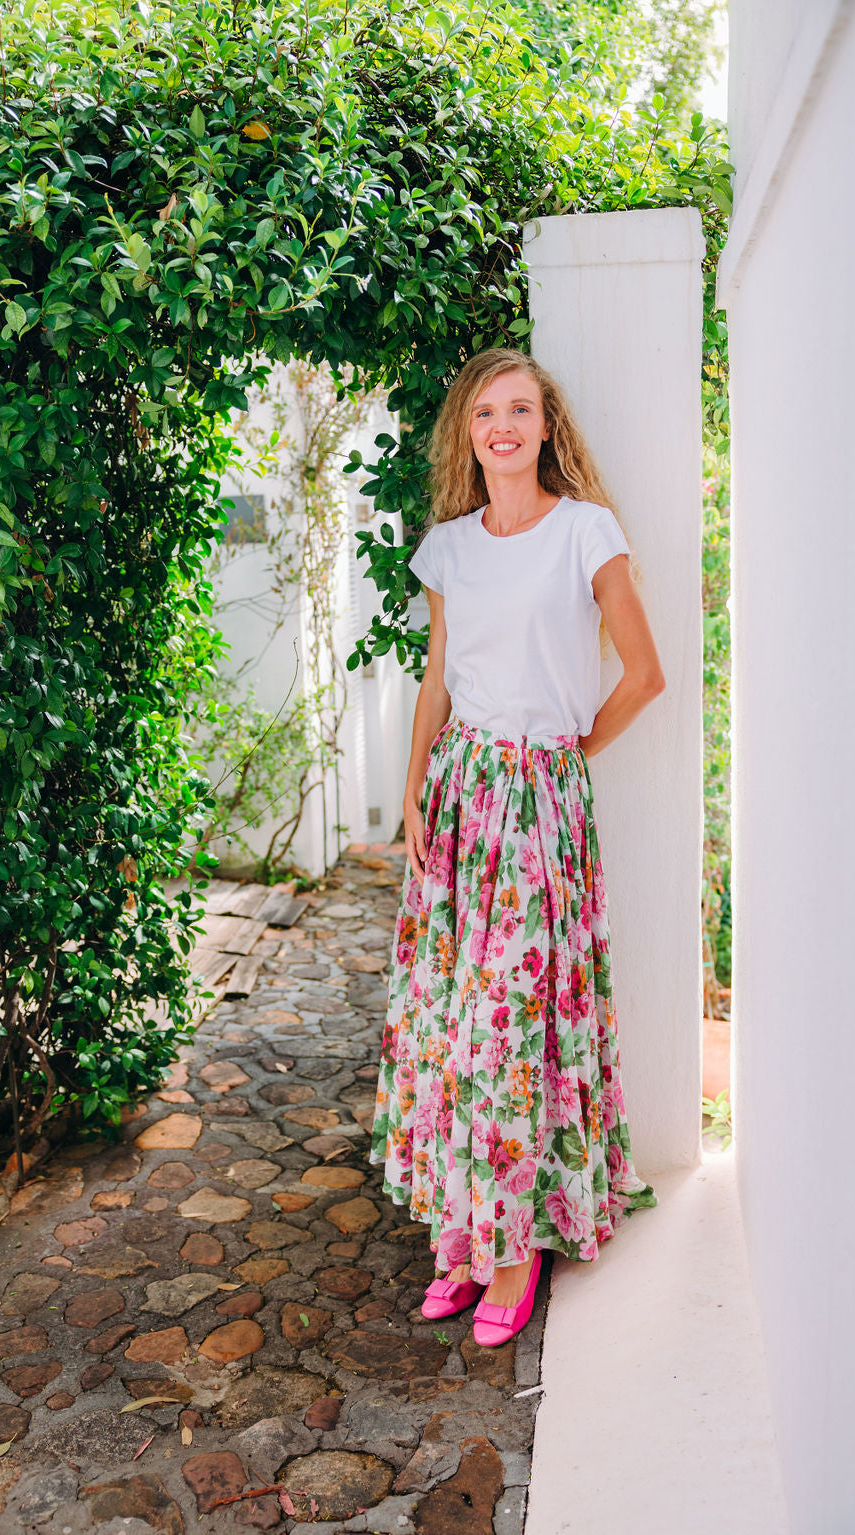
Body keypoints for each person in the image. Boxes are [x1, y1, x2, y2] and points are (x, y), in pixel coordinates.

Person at [369, 348, 664, 1349]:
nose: (502, 426)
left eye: (521, 410)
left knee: (512, 1023)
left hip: (538, 803)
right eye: (486, 411)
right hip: (457, 796)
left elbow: (644, 672)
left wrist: (563, 755)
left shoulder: (585, 531)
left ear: (547, 427)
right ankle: (464, 1229)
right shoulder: (449, 548)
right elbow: (438, 674)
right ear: (468, 431)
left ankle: (514, 1247)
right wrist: (415, 789)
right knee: (451, 1022)